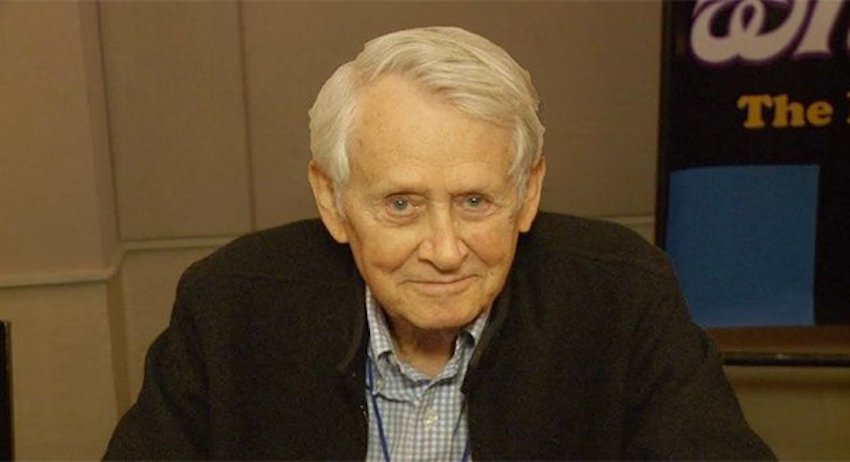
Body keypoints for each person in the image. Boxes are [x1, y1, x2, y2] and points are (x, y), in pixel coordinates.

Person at [104, 26, 774, 460]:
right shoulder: (229, 306)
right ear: (332, 201)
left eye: (476, 202)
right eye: (401, 205)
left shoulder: (623, 294)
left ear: (527, 193)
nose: (446, 251)